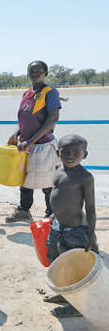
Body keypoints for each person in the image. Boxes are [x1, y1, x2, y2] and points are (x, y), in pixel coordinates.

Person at [44, 134, 98, 318]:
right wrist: (53, 215)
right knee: (54, 258)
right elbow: (57, 193)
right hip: (57, 225)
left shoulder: (85, 177)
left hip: (76, 229)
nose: (70, 156)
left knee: (75, 266)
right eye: (65, 152)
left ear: (85, 155)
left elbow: (90, 207)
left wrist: (91, 234)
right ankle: (64, 292)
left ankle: (77, 306)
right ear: (57, 152)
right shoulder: (57, 168)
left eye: (76, 153)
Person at [6, 60, 61, 223]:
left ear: (46, 73)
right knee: (24, 180)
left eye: (38, 71)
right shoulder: (27, 93)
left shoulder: (50, 92)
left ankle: (52, 214)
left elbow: (53, 119)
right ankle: (24, 210)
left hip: (42, 145)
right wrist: (16, 133)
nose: (35, 73)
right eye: (32, 71)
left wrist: (31, 140)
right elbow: (25, 118)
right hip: (25, 145)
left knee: (48, 183)